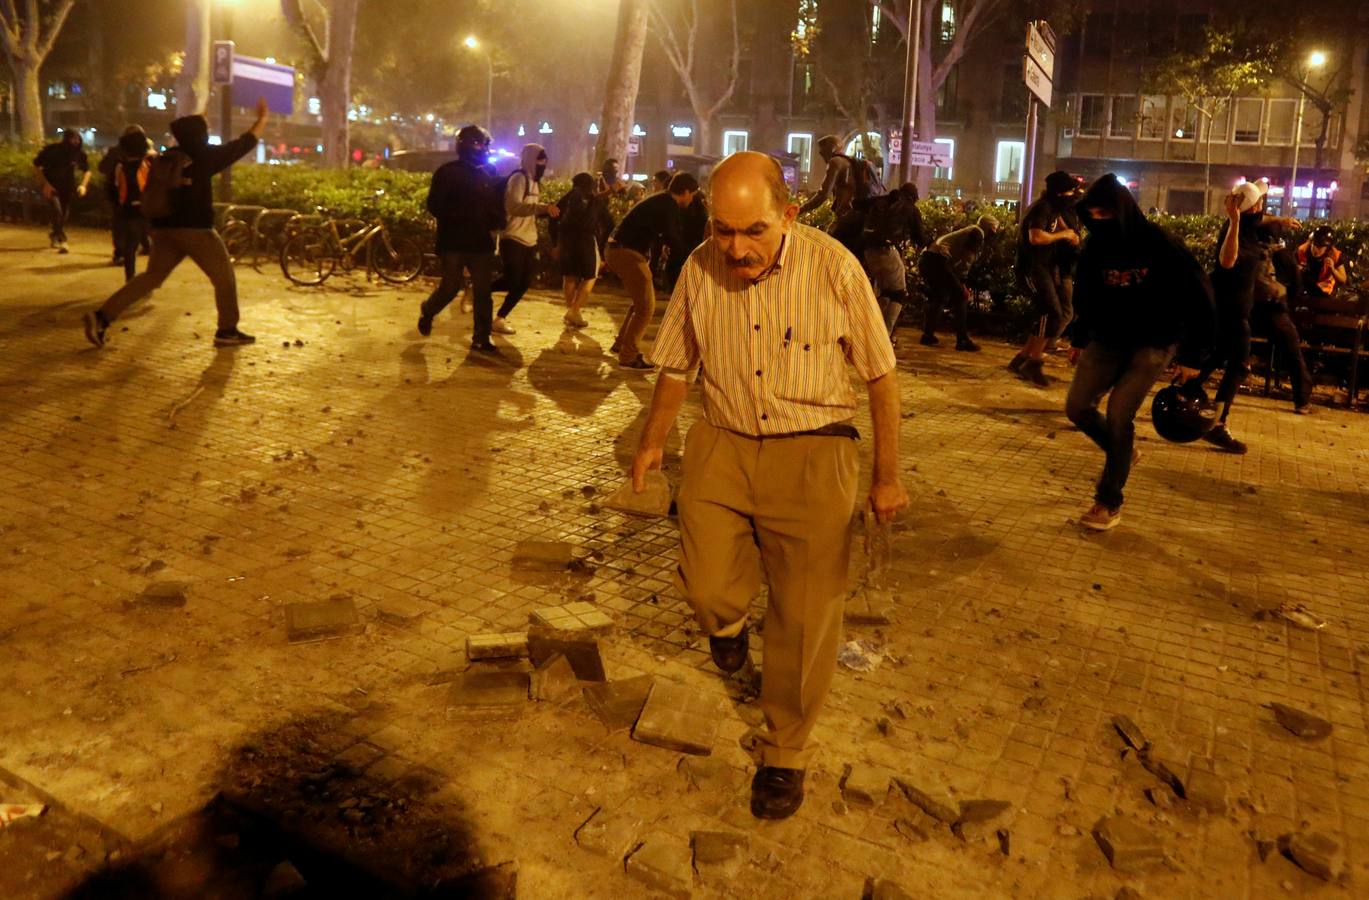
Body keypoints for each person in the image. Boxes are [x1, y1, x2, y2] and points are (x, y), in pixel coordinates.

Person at [632, 151, 907, 820]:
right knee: (703, 584)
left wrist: (887, 476)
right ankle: (725, 625)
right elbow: (675, 367)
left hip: (814, 452)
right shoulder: (700, 269)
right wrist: (651, 443)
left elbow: (879, 375)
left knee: (804, 616)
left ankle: (784, 751)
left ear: (786, 215)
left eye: (752, 231)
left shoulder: (834, 267)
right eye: (722, 230)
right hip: (722, 443)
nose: (735, 247)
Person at [1065, 174, 1215, 531]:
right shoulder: (1093, 249)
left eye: (1107, 212)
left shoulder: (1160, 244)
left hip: (1155, 341)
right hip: (1107, 340)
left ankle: (1108, 502)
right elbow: (1085, 296)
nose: (1100, 220)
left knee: (1119, 414)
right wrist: (1080, 337)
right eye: (1094, 213)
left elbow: (1201, 298)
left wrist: (1195, 357)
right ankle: (1124, 452)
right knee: (1077, 407)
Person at [82, 100, 269, 349]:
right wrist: (262, 119)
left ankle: (101, 317)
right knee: (224, 278)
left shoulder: (168, 157)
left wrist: (201, 115)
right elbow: (242, 145)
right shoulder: (203, 157)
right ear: (199, 135)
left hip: (163, 229)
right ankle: (227, 330)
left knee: (152, 277)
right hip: (196, 231)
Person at [1199, 181, 1306, 449]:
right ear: (1250, 209)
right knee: (1239, 365)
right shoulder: (1236, 230)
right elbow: (1226, 261)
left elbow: (1260, 212)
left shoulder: (1250, 225)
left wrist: (1280, 218)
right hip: (1230, 311)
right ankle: (1218, 424)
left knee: (1220, 356)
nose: (1263, 207)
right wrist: (1233, 222)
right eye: (1259, 203)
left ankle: (1185, 389)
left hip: (1239, 310)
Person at [416, 125, 504, 353]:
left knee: (483, 291)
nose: (484, 149)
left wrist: (496, 222)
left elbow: (496, 205)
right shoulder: (447, 172)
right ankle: (428, 310)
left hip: (480, 243)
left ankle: (481, 338)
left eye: (485, 145)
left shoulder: (489, 173)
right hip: (453, 242)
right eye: (481, 144)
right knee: (450, 287)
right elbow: (434, 204)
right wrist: (459, 215)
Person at [604, 172, 699, 370]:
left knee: (641, 302)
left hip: (619, 250)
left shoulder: (662, 201)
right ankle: (628, 356)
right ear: (686, 192)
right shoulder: (668, 205)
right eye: (693, 195)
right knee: (646, 306)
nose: (692, 200)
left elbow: (664, 235)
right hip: (626, 252)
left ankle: (622, 344)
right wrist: (693, 256)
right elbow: (672, 236)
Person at [1008, 171, 1081, 386]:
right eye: (1069, 191)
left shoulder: (1051, 207)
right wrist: (1063, 235)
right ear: (1060, 193)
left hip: (1044, 268)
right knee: (1050, 313)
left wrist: (1069, 233)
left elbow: (1058, 223)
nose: (1072, 196)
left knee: (1048, 313)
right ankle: (1032, 362)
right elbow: (1036, 236)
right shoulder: (1043, 207)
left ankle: (1023, 358)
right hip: (1031, 268)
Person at [491, 143, 560, 336]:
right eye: (539, 160)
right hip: (512, 236)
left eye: (544, 161)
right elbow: (513, 207)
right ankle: (480, 289)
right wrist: (542, 208)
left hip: (530, 239)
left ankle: (500, 318)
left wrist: (546, 211)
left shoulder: (535, 182)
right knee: (512, 280)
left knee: (524, 283)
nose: (542, 164)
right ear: (530, 159)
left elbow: (531, 209)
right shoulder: (518, 179)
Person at [858, 182, 929, 341]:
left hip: (869, 251)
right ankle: (884, 336)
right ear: (913, 196)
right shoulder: (909, 208)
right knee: (899, 293)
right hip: (887, 250)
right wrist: (931, 243)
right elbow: (920, 238)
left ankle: (874, 331)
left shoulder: (883, 201)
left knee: (885, 291)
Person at [919, 215, 1000, 351]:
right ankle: (962, 340)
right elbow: (967, 260)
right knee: (961, 297)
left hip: (928, 259)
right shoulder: (977, 233)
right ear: (989, 228)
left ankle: (927, 335)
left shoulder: (970, 231)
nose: (995, 233)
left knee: (941, 296)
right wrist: (962, 283)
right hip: (937, 260)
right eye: (994, 229)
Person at [550, 172, 613, 329]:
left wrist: (555, 243)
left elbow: (553, 216)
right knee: (590, 277)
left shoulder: (568, 198)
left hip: (566, 240)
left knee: (569, 277)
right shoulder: (596, 201)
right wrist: (603, 243)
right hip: (586, 241)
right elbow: (610, 224)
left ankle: (572, 312)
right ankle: (574, 310)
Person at [99, 125, 153, 265]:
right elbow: (105, 169)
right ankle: (123, 253)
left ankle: (130, 251)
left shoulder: (143, 154)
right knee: (126, 224)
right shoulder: (120, 153)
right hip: (125, 194)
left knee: (127, 223)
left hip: (128, 194)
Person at [33, 128, 91, 254]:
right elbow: (36, 165)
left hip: (68, 188)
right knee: (57, 211)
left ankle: (54, 234)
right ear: (66, 139)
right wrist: (45, 184)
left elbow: (87, 170)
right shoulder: (52, 150)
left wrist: (83, 185)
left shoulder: (79, 154)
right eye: (73, 138)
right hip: (51, 186)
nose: (76, 142)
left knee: (63, 215)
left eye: (77, 139)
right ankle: (63, 240)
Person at [1297, 225, 1347, 300]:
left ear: (1327, 247)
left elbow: (1343, 280)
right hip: (1303, 291)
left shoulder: (1334, 255)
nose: (1317, 250)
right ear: (1311, 242)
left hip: (1324, 294)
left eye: (1321, 247)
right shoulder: (1301, 250)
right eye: (1315, 245)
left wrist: (1333, 270)